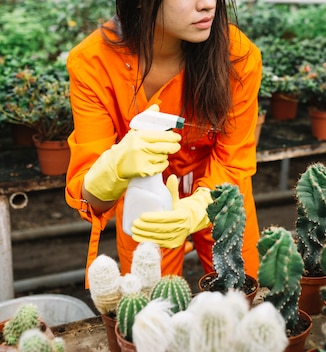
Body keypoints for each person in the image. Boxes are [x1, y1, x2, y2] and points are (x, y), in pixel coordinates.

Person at [64, 0, 262, 286]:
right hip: (143, 193)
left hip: (222, 190)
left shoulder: (238, 56)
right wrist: (114, 169)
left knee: (244, 294)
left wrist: (197, 210)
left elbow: (232, 162)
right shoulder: (92, 62)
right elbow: (89, 197)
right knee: (151, 306)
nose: (208, 5)